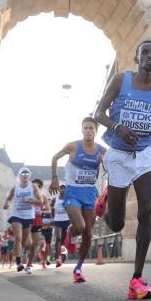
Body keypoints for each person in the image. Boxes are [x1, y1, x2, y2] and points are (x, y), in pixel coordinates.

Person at [94, 40, 151, 299]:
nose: (150, 56)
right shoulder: (121, 80)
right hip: (118, 153)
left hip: (145, 153)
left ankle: (137, 279)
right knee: (117, 223)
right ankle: (106, 202)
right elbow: (98, 113)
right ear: (137, 58)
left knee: (146, 208)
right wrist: (117, 127)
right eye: (146, 52)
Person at [49, 117, 106, 283]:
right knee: (80, 226)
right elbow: (54, 157)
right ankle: (71, 232)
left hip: (90, 193)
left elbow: (113, 165)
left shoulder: (102, 150)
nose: (88, 131)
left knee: (88, 232)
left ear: (96, 131)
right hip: (73, 191)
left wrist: (105, 163)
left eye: (91, 128)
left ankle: (79, 268)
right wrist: (54, 178)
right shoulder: (73, 146)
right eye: (86, 128)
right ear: (82, 130)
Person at [4, 167, 43, 273]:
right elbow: (8, 198)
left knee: (24, 242)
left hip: (29, 216)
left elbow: (40, 201)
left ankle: (17, 255)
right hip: (16, 215)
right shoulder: (15, 187)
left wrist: (29, 200)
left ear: (29, 176)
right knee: (18, 237)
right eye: (23, 174)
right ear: (20, 176)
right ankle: (19, 263)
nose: (25, 176)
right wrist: (6, 204)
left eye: (27, 174)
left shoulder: (33, 186)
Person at [28, 179, 50, 272]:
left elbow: (48, 211)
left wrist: (41, 212)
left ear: (40, 187)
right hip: (27, 221)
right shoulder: (28, 196)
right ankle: (20, 258)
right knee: (26, 243)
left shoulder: (44, 198)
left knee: (34, 245)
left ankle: (28, 265)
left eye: (37, 186)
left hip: (37, 222)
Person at [51, 183, 70, 267]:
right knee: (58, 238)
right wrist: (53, 217)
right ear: (59, 189)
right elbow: (51, 207)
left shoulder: (69, 198)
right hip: (57, 221)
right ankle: (58, 257)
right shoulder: (55, 199)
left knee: (63, 240)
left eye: (64, 188)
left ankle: (63, 256)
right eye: (61, 188)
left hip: (66, 221)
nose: (62, 190)